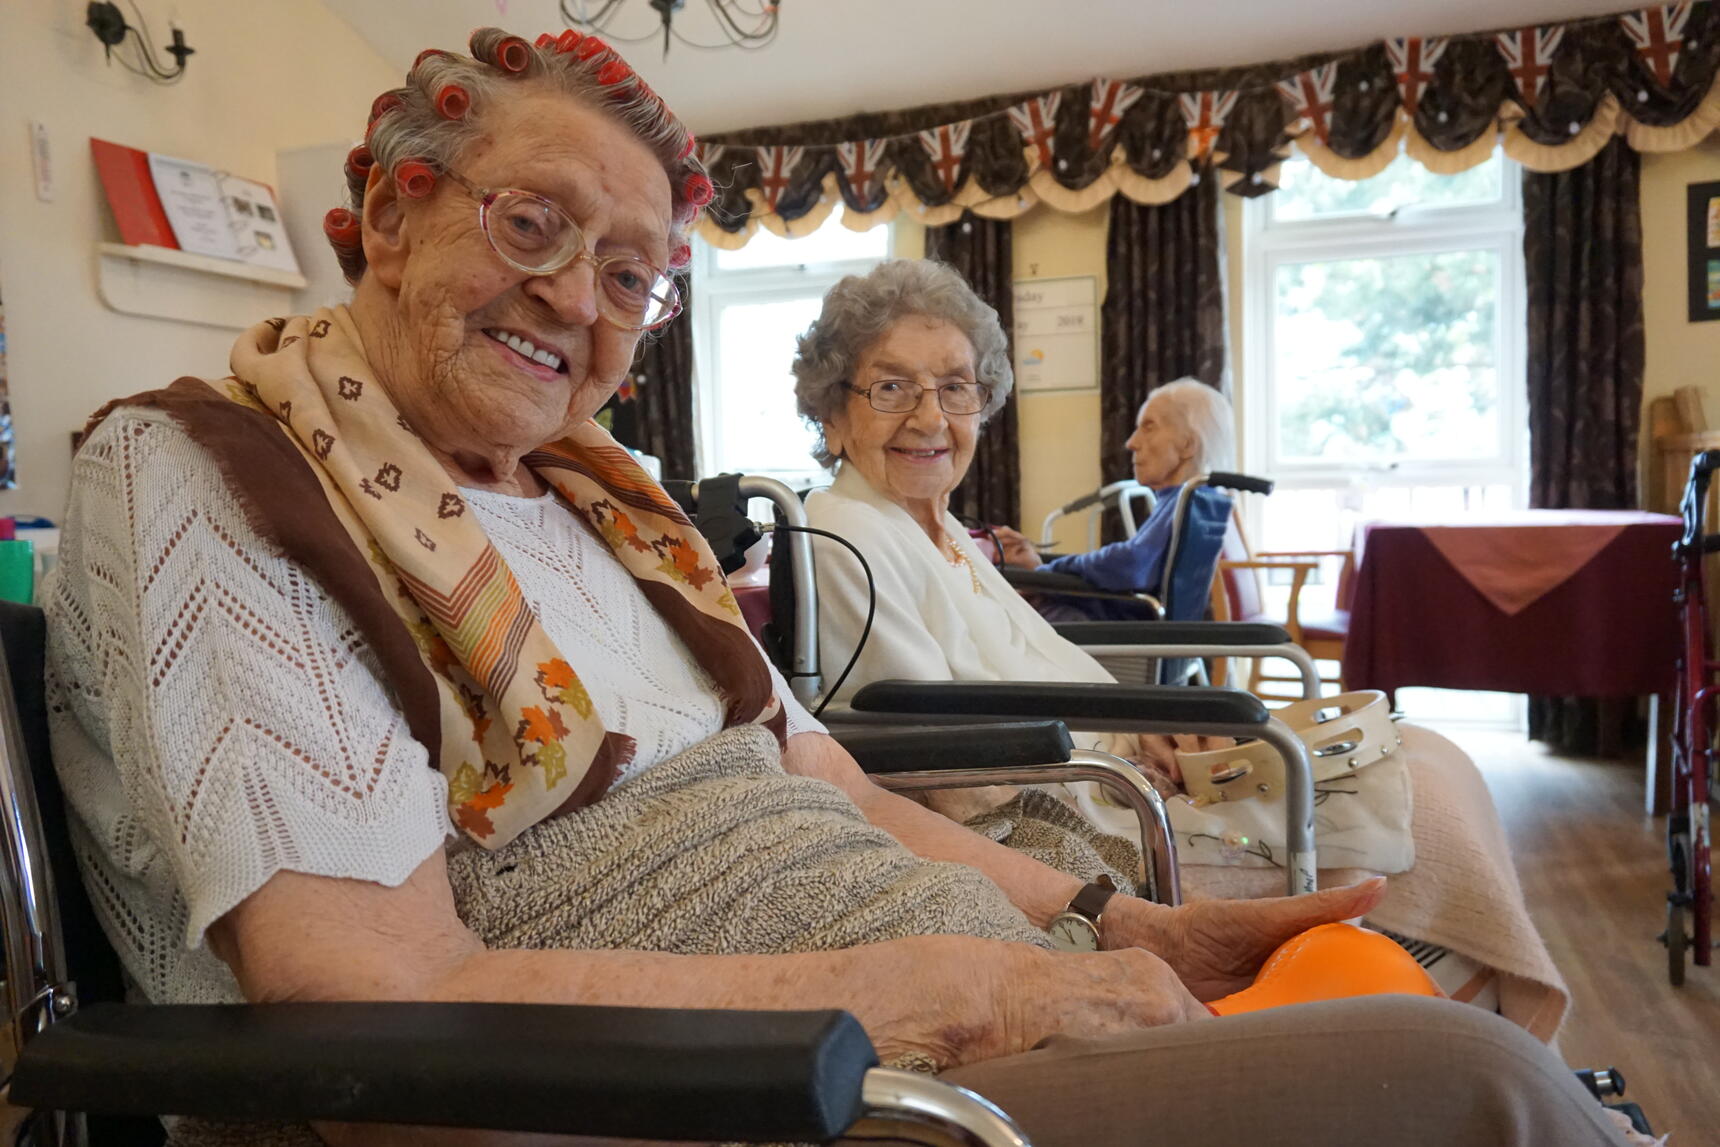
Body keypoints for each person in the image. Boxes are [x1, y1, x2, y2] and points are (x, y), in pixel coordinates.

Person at [41, 31, 1628, 1147]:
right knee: (1466, 1087)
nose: (574, 300)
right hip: (762, 1088)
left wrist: (1118, 913)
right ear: (385, 217)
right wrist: (931, 991)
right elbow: (368, 1001)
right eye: (531, 225)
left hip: (943, 999)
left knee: (1379, 991)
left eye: (626, 277)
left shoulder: (614, 507)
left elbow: (826, 775)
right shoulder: (213, 472)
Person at [798, 259, 1571, 1042]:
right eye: (891, 388)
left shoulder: (943, 533)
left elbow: (1044, 662)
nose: (931, 417)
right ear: (833, 414)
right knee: (1426, 817)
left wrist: (1144, 725)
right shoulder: (847, 532)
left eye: (956, 387)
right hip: (1075, 807)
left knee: (1429, 764)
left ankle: (1478, 1063)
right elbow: (930, 759)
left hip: (1116, 767)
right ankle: (1454, 1056)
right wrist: (1124, 746)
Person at [994, 380, 1234, 624]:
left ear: (1187, 445)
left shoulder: (1185, 503)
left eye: (1149, 427)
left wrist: (1044, 575)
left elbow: (1132, 563)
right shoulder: (1194, 501)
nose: (1131, 443)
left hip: (1124, 639)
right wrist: (1041, 566)